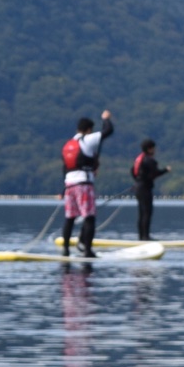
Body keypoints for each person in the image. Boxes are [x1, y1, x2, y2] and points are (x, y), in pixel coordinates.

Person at [60, 110, 113, 258]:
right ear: (89, 130)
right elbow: (108, 131)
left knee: (70, 217)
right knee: (89, 217)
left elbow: (66, 167)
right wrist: (106, 119)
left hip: (69, 184)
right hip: (84, 184)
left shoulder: (68, 144)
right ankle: (87, 251)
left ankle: (65, 250)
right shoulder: (87, 139)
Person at [131, 139, 169, 241]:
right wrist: (166, 170)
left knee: (141, 213)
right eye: (153, 148)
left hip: (138, 187)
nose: (155, 150)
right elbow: (155, 174)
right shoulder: (150, 160)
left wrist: (137, 181)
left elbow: (133, 171)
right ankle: (146, 237)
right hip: (145, 189)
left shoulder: (139, 159)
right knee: (147, 212)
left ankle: (141, 236)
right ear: (149, 149)